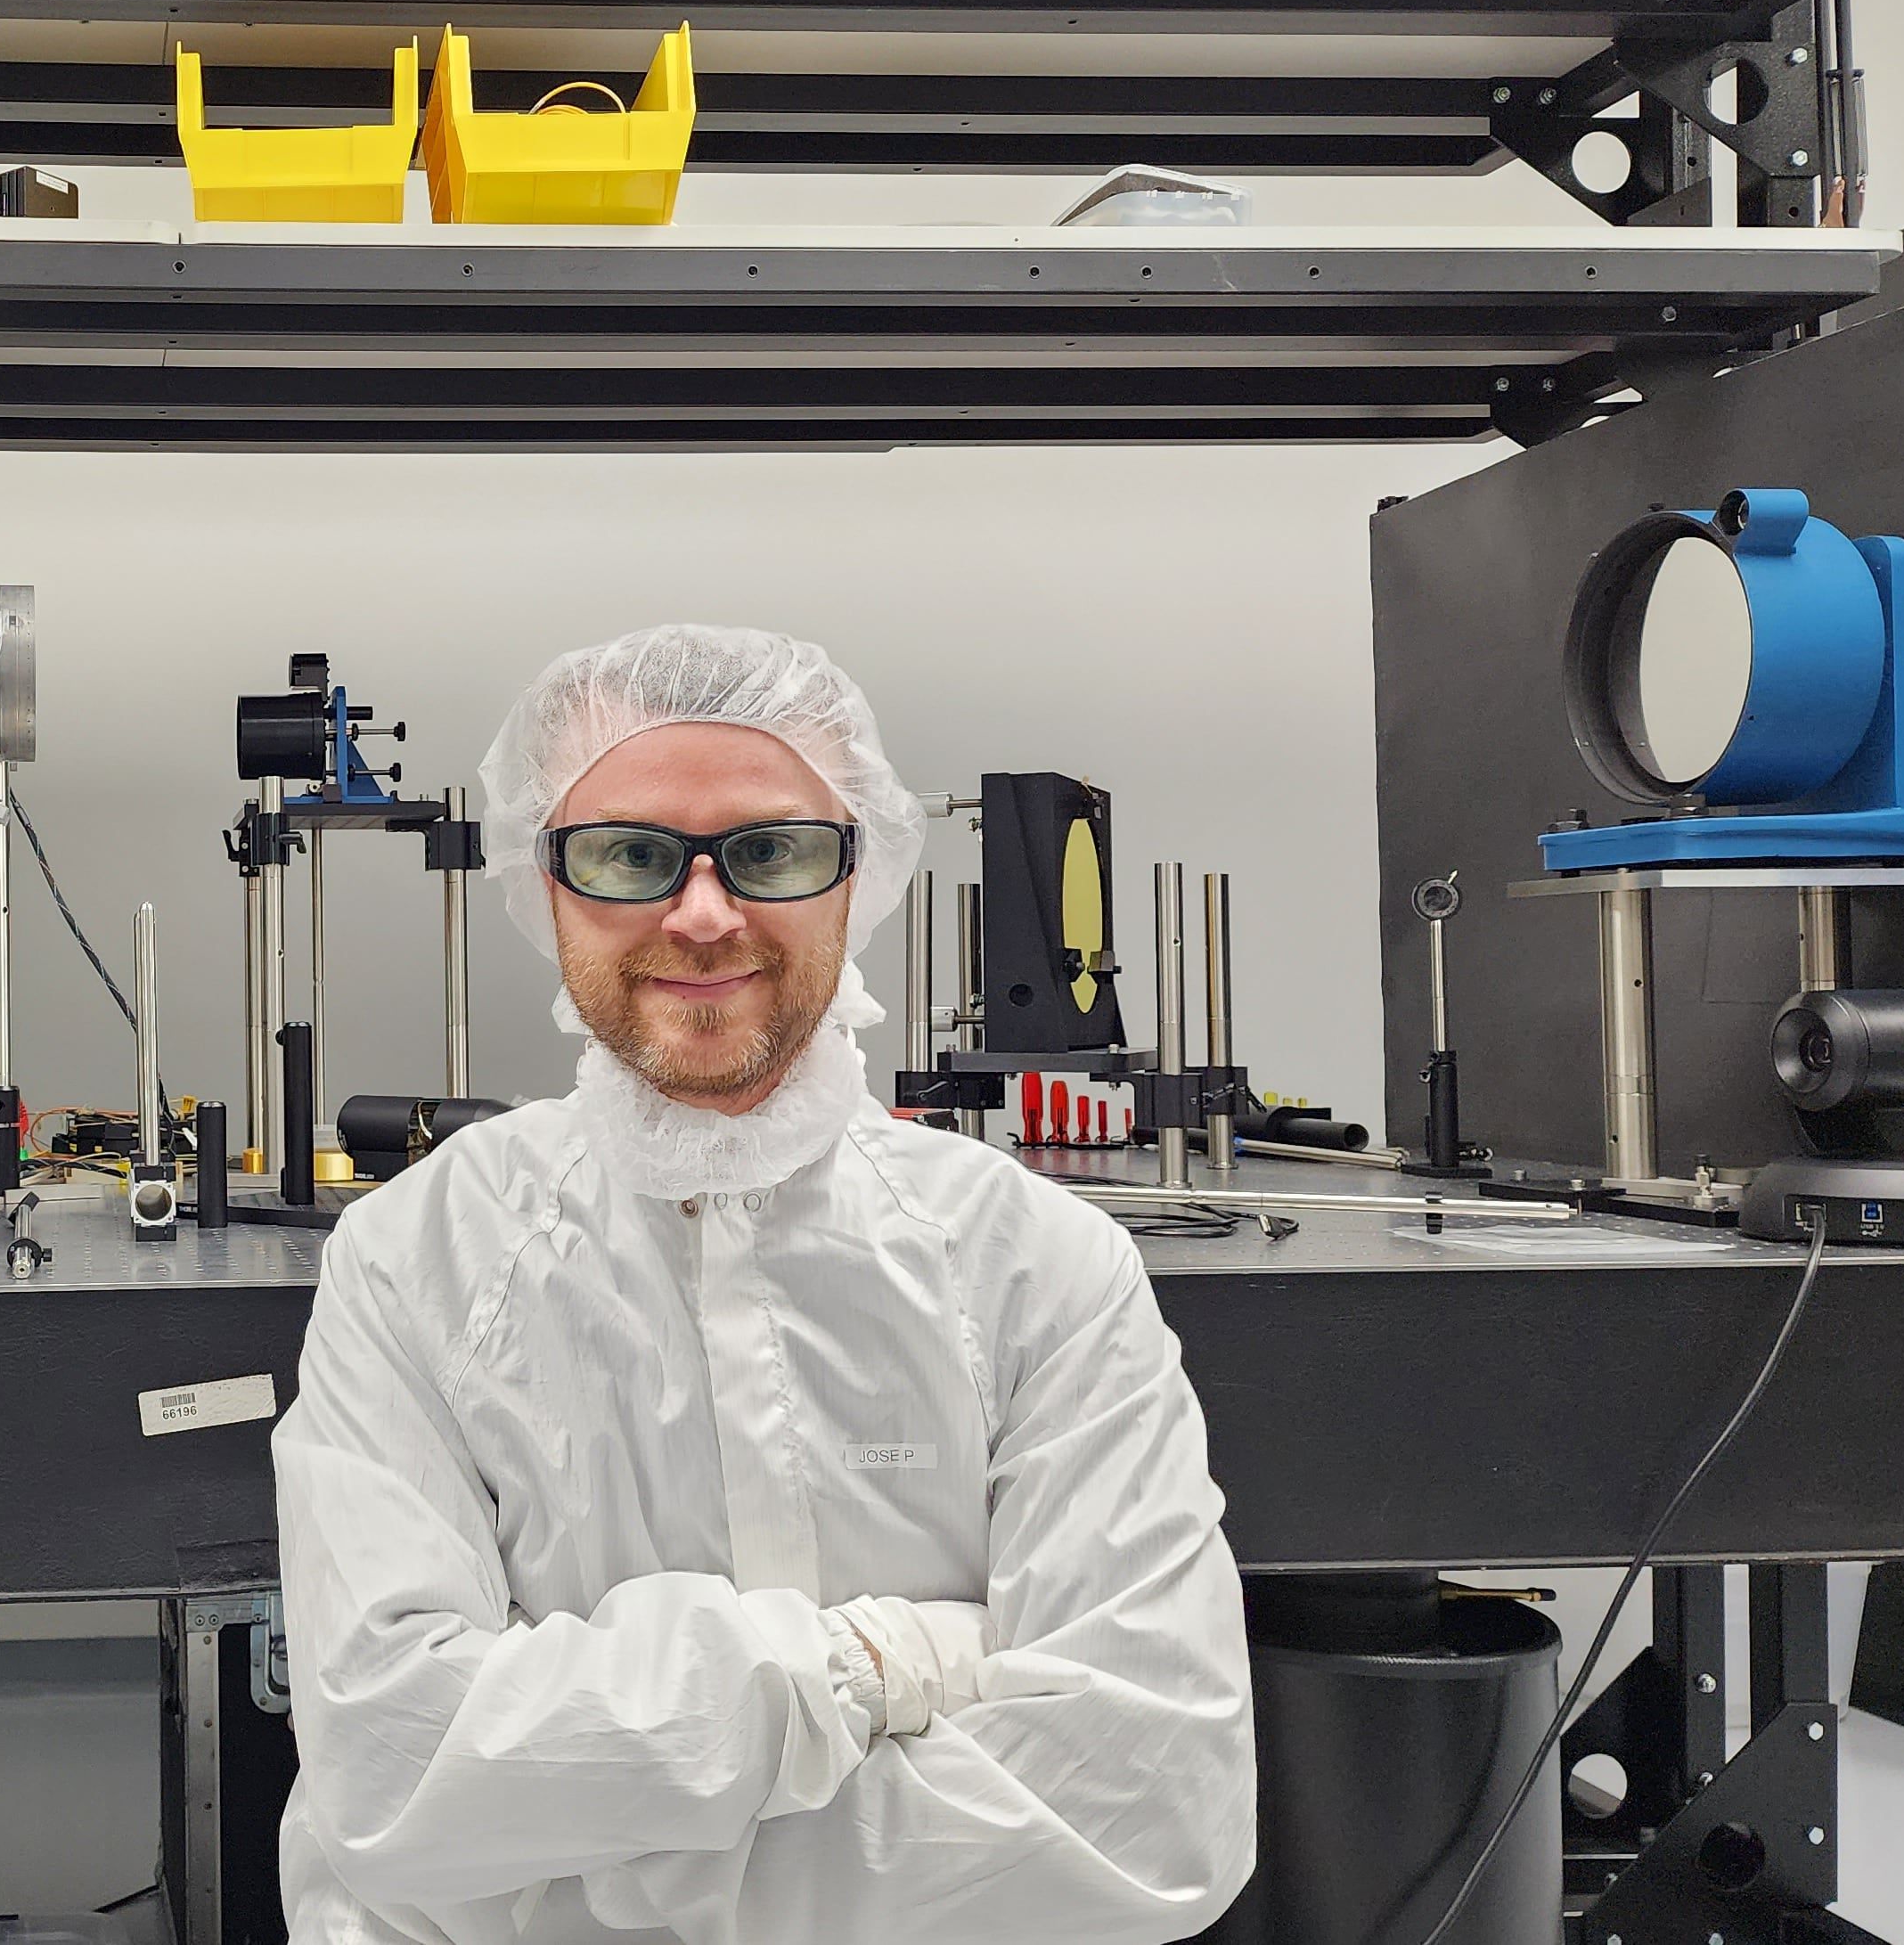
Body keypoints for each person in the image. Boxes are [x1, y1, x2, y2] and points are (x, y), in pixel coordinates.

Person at [273, 625, 1254, 1945]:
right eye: (629, 854)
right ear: (540, 881)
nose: (701, 914)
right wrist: (889, 1664)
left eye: (771, 851)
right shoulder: (414, 1266)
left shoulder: (1041, 1269)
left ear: (862, 874)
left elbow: (1150, 1820)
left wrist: (568, 1853)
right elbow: (394, 1782)